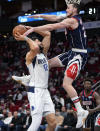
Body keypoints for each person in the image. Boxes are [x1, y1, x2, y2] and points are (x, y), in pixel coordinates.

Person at [21, 0, 89, 128]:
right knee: (46, 64)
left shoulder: (72, 20)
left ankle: (80, 110)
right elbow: (55, 18)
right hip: (71, 52)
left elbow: (52, 26)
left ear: (75, 9)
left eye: (68, 8)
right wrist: (39, 16)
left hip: (79, 54)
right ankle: (30, 78)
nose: (66, 9)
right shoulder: (69, 17)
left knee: (66, 84)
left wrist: (34, 29)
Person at [12, 26, 56, 131]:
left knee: (53, 123)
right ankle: (27, 79)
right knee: (36, 122)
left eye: (39, 40)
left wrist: (32, 28)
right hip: (35, 90)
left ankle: (26, 79)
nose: (39, 41)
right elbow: (35, 48)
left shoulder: (43, 54)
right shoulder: (30, 55)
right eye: (36, 40)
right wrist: (26, 38)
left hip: (44, 91)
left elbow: (48, 34)